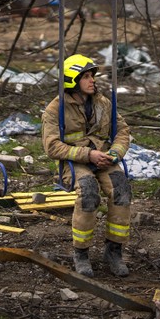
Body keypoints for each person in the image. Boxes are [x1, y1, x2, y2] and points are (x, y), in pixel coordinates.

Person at [42, 54, 132, 277]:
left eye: (92, 76)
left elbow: (122, 131)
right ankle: (81, 253)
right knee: (89, 192)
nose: (92, 80)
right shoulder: (55, 109)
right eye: (87, 77)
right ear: (72, 80)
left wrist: (114, 153)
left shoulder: (103, 103)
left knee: (121, 189)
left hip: (103, 158)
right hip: (73, 162)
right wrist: (87, 155)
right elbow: (52, 146)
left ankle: (114, 251)